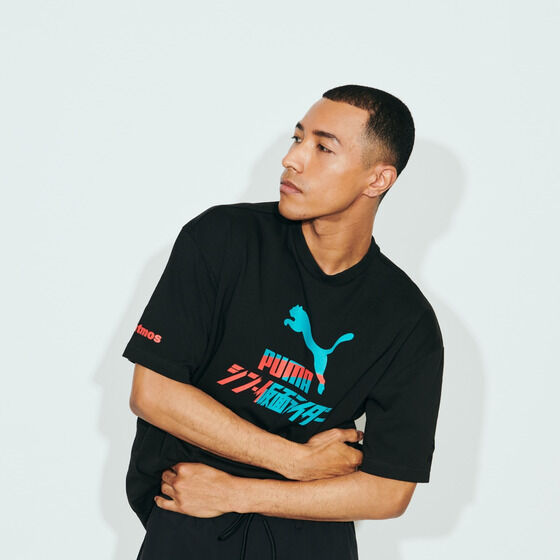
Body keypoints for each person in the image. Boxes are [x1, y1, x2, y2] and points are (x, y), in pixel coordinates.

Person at [122, 84, 445, 560]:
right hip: (190, 513)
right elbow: (153, 393)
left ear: (377, 179)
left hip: (310, 536)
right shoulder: (223, 239)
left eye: (323, 148)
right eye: (297, 138)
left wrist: (238, 493)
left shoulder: (407, 319)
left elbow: (389, 490)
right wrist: (294, 460)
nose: (291, 159)